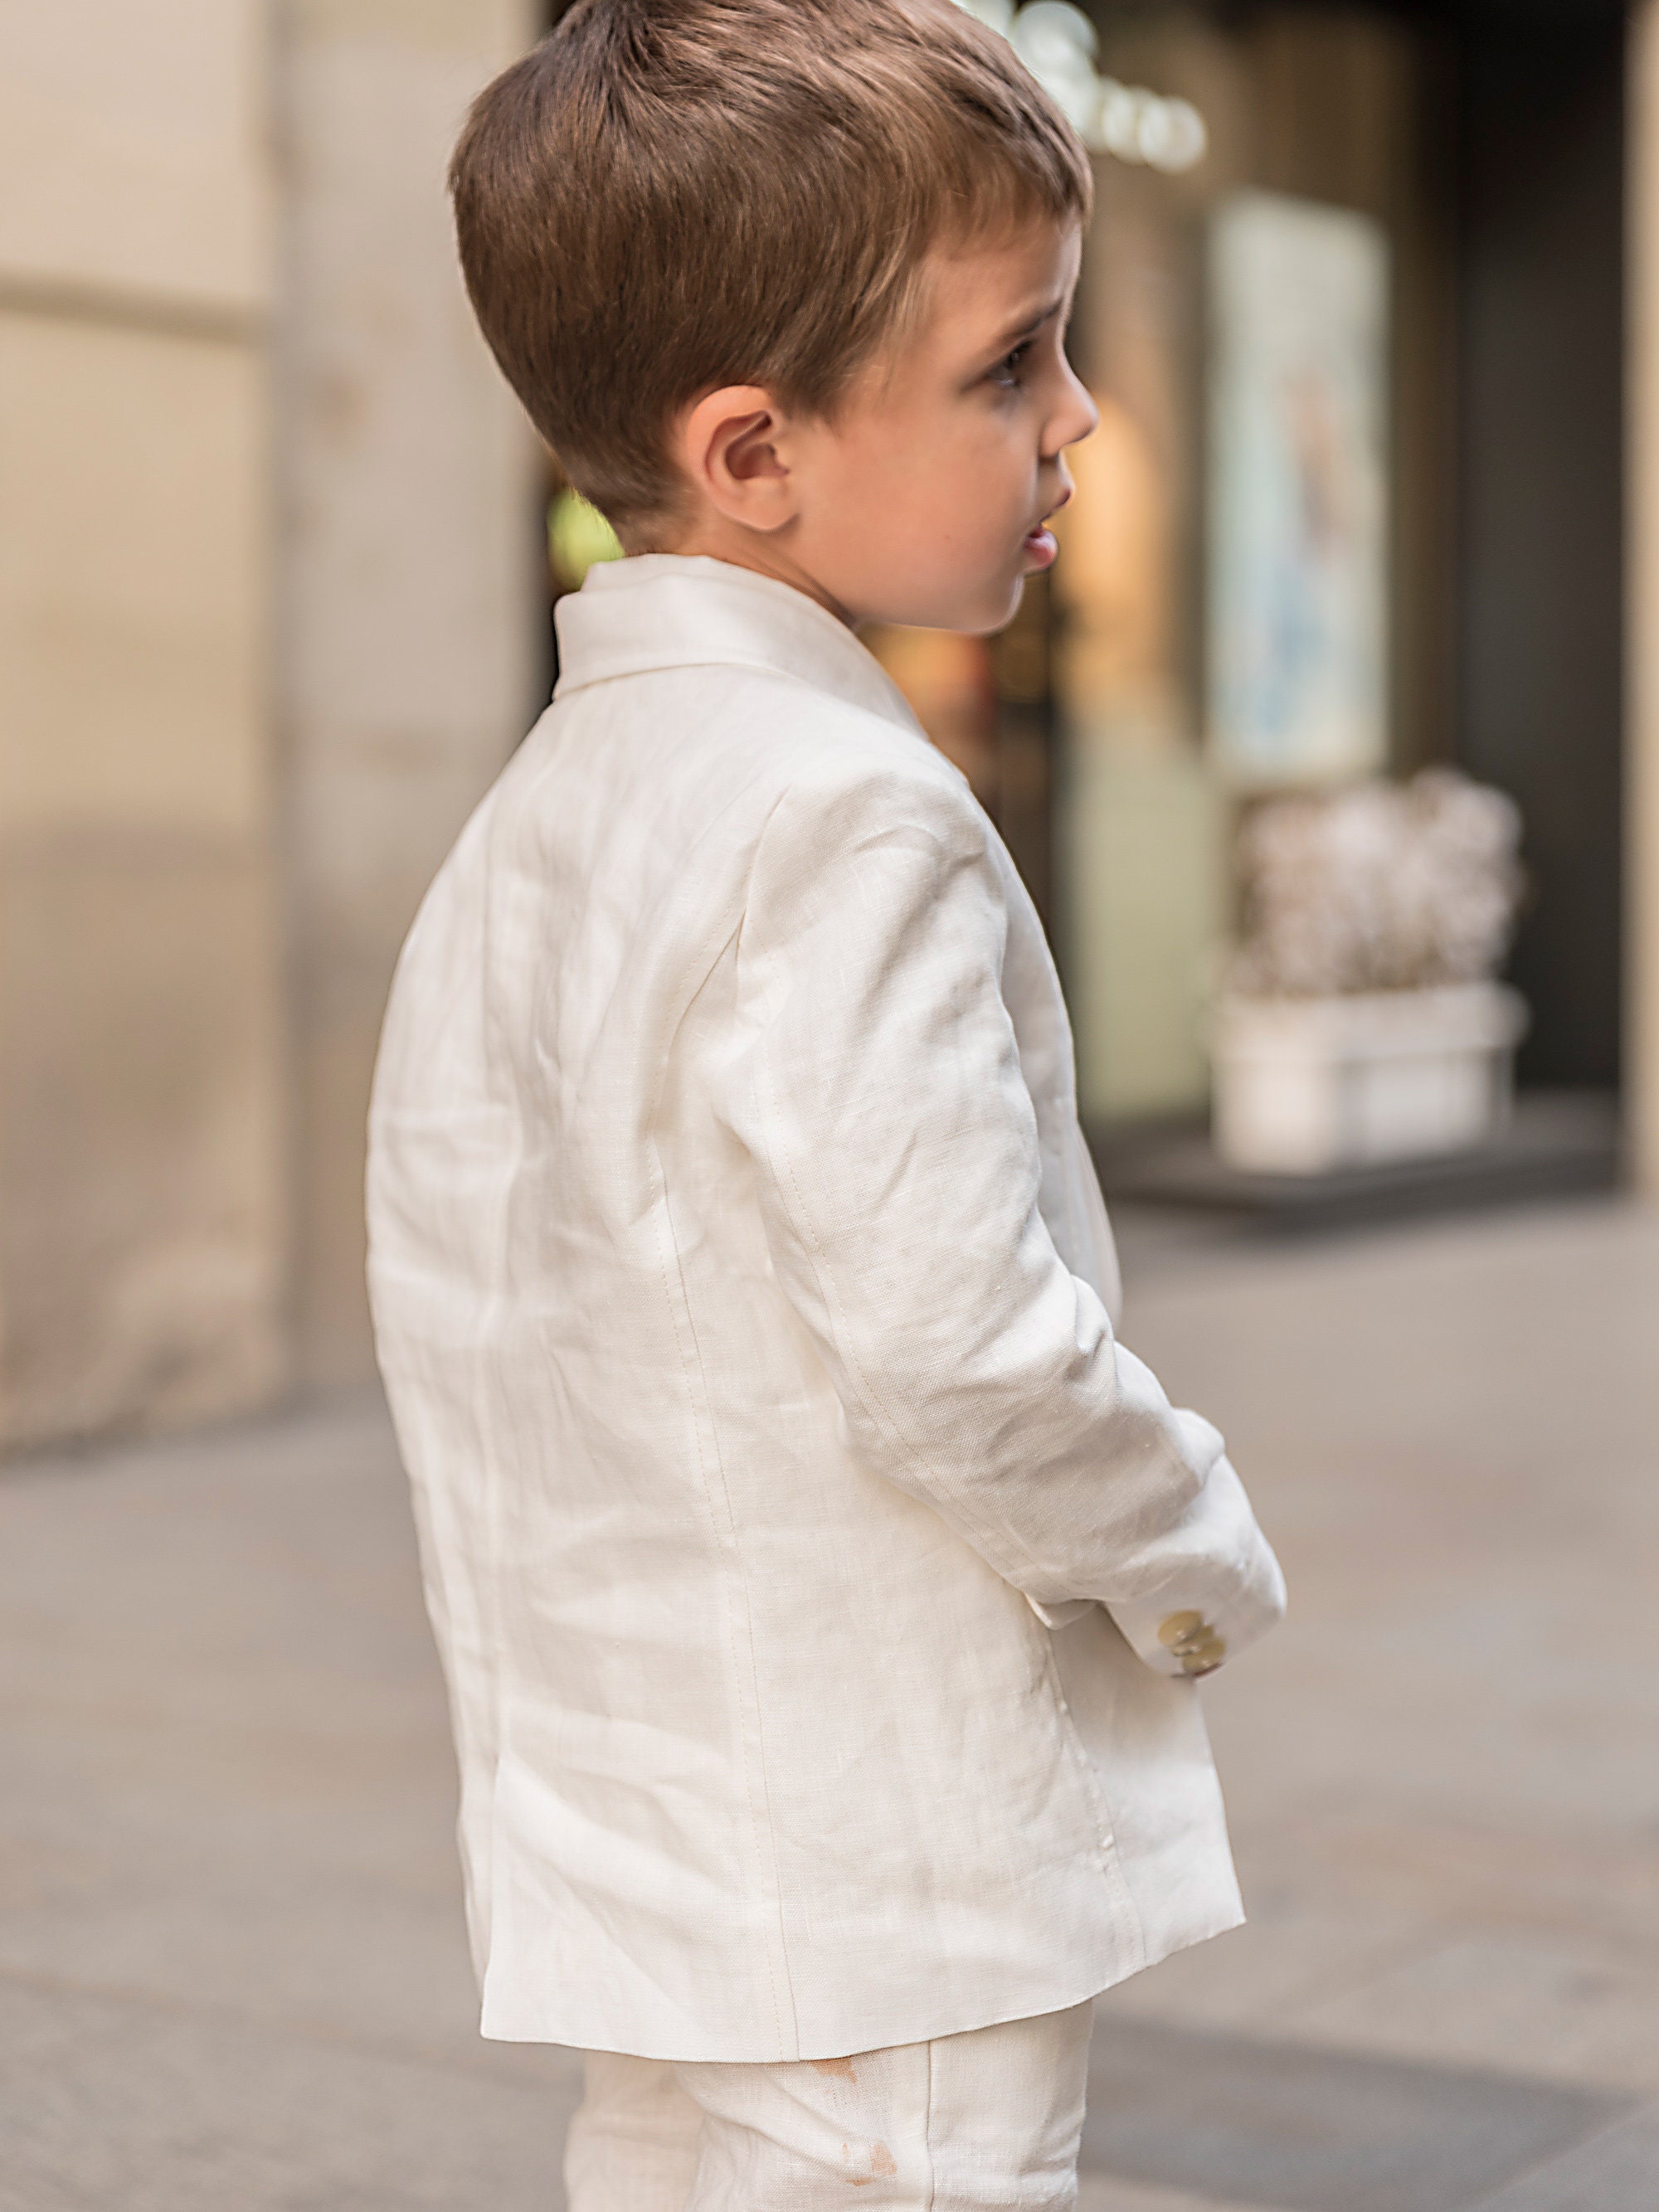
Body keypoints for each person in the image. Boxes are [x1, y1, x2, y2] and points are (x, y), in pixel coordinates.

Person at [365, 3, 1287, 2205]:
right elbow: (959, 1342)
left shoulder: (543, 820)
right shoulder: (845, 816)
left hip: (649, 1826)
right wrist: (1188, 1542)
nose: (1080, 420)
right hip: (890, 1852)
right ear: (755, 454)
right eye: (1011, 363)